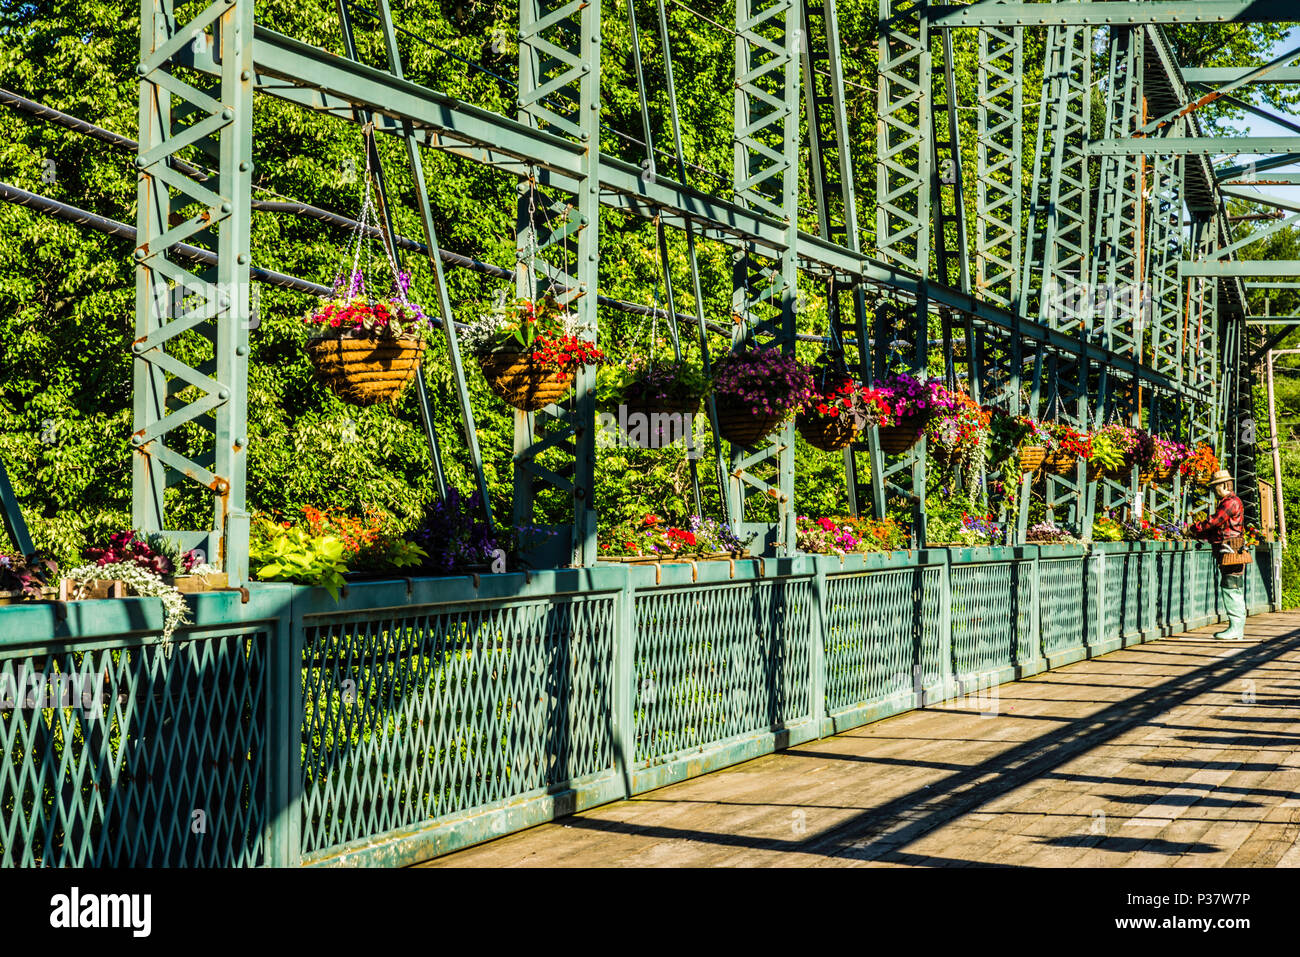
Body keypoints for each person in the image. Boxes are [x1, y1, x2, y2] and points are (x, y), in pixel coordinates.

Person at [1187, 469, 1248, 640]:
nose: (1214, 491)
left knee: (1231, 586)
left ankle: (1236, 629)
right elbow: (1219, 529)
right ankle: (1236, 627)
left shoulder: (1230, 503)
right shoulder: (1232, 502)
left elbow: (1214, 521)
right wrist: (1198, 533)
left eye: (1216, 487)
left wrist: (1194, 528)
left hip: (1231, 550)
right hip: (1230, 548)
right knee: (1232, 586)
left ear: (1224, 485)